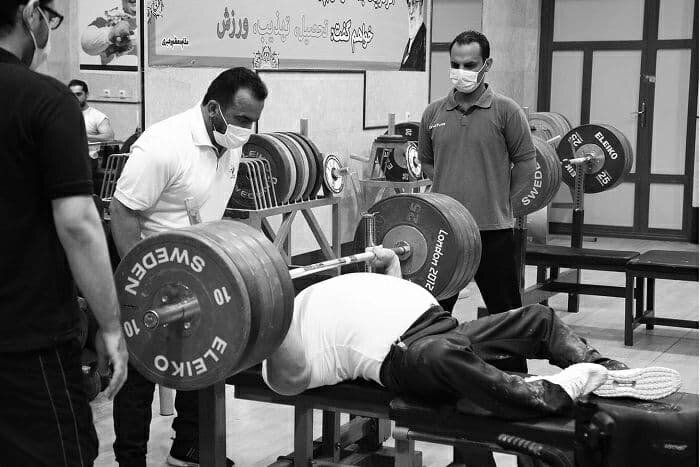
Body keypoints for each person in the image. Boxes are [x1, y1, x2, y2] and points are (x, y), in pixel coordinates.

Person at [263, 247, 681, 420]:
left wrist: (392, 265)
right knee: (442, 356)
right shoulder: (279, 335)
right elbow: (289, 381)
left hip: (442, 325)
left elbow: (388, 300)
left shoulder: (309, 292)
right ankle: (549, 393)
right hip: (409, 355)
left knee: (537, 317)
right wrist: (274, 311)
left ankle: (604, 371)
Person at [110, 67, 267, 467]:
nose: (247, 130)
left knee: (202, 357)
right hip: (147, 271)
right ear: (214, 108)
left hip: (196, 272)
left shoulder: (230, 145)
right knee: (141, 370)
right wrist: (141, 280)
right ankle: (130, 459)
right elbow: (122, 211)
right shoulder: (163, 144)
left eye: (253, 121)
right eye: (242, 119)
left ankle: (190, 446)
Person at [0, 1, 128, 465]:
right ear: (31, 12)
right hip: (26, 341)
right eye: (52, 19)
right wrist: (110, 326)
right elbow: (77, 223)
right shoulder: (44, 99)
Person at [418, 30, 537, 371]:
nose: (461, 71)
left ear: (487, 65)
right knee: (432, 313)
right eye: (455, 64)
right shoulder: (434, 112)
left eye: (469, 65)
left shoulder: (506, 111)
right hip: (445, 232)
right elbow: (428, 162)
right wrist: (450, 186)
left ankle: (516, 381)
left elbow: (526, 164)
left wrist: (501, 201)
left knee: (506, 314)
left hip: (493, 230)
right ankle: (430, 377)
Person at [81, 0, 137, 66]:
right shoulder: (110, 16)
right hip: (117, 70)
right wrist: (111, 34)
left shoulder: (148, 17)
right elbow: (86, 43)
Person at [399, 0, 426, 71]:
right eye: (409, 5)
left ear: (421, 6)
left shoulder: (424, 40)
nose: (411, 11)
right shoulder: (412, 38)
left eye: (414, 4)